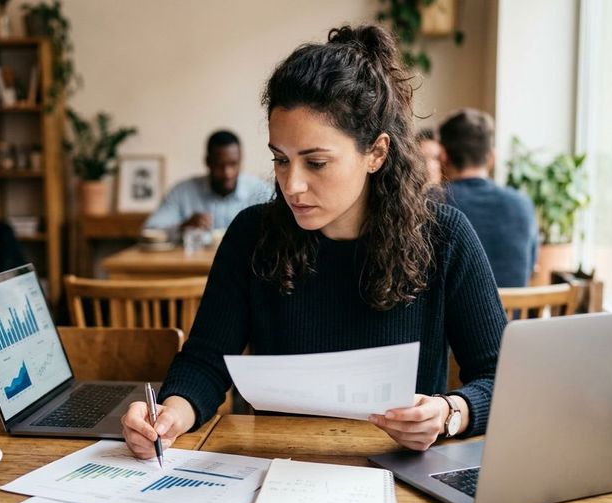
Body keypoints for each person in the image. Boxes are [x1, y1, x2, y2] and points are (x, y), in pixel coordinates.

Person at [121, 25, 506, 457]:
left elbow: (501, 378)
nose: (292, 185)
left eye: (316, 162)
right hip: (274, 470)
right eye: (280, 160)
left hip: (401, 480)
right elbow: (205, 362)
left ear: (376, 153)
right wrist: (172, 414)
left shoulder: (444, 236)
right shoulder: (253, 235)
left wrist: (451, 412)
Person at [439, 109, 539, 288]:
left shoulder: (433, 202)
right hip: (512, 316)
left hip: (458, 316)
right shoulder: (523, 204)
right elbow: (531, 269)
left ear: (443, 157)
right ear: (492, 158)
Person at [142, 130, 271, 234]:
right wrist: (183, 227)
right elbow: (150, 230)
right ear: (208, 162)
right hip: (195, 266)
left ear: (240, 161)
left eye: (233, 164)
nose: (228, 173)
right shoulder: (182, 192)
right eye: (220, 165)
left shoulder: (260, 191)